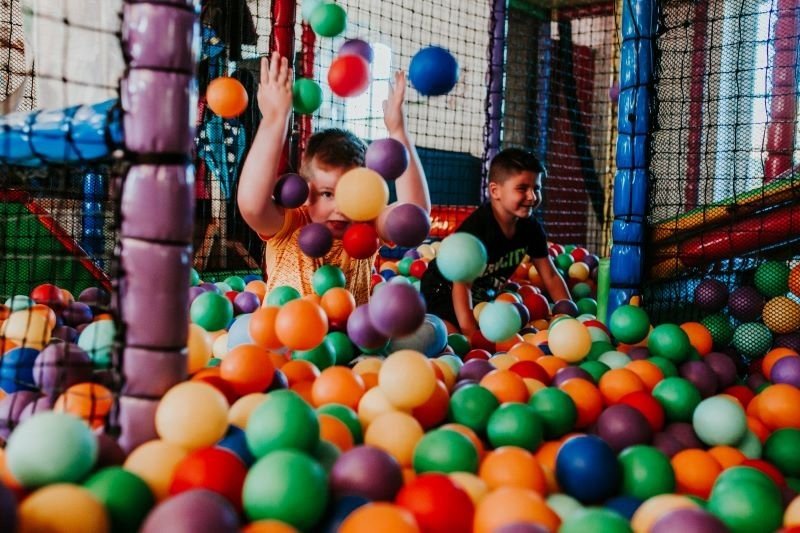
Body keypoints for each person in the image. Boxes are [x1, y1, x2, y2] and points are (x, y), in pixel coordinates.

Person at [238, 52, 430, 305]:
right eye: (328, 194)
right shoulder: (291, 225)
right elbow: (252, 205)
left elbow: (413, 217)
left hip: (352, 341)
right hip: (283, 340)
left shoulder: (367, 224)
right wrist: (275, 119)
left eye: (353, 195)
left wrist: (398, 131)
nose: (341, 208)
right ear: (306, 194)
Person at [420, 147, 570, 337]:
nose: (532, 196)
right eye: (522, 188)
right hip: (443, 290)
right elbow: (462, 285)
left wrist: (569, 315)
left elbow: (550, 276)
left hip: (482, 295)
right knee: (450, 338)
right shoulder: (478, 229)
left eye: (536, 188)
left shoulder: (530, 228)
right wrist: (470, 336)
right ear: (495, 190)